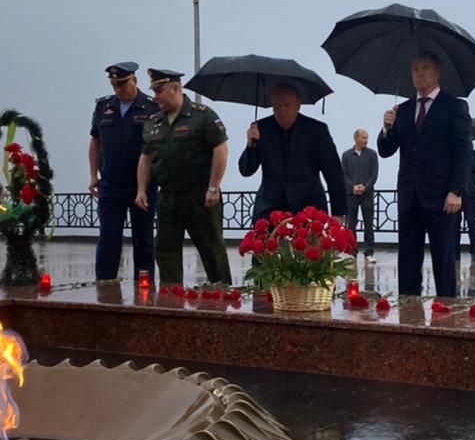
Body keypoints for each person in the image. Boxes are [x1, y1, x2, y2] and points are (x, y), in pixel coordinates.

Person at [376, 52, 472, 297]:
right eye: (415, 69)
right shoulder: (404, 109)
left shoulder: (454, 106)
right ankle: (408, 316)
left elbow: (463, 151)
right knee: (407, 261)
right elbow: (386, 150)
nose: (419, 73)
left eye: (425, 68)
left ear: (437, 73)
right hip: (410, 196)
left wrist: (456, 190)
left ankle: (446, 316)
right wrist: (386, 129)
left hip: (442, 197)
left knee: (444, 260)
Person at [136, 68, 232, 285]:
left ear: (176, 88)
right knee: (166, 251)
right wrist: (141, 189)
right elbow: (146, 157)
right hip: (169, 197)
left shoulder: (203, 115)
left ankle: (222, 295)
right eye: (154, 91)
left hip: (201, 197)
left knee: (212, 249)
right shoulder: (154, 122)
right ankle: (171, 300)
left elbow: (221, 150)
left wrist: (214, 187)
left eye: (159, 90)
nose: (155, 96)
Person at [238, 81, 347, 226]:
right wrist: (250, 145)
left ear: (298, 104)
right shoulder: (261, 129)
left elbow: (333, 172)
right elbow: (246, 170)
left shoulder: (316, 131)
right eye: (276, 106)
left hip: (308, 208)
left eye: (286, 105)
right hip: (270, 210)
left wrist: (338, 212)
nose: (282, 111)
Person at [88, 62, 159, 281]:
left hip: (143, 185)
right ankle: (105, 284)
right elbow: (95, 142)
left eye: (123, 84)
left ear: (134, 81)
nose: (119, 89)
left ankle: (144, 287)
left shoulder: (151, 107)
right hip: (110, 183)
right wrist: (93, 175)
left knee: (144, 239)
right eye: (115, 85)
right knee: (109, 238)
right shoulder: (103, 107)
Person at [342, 128, 379, 262]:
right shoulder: (346, 155)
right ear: (356, 139)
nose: (366, 140)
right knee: (351, 224)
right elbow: (343, 174)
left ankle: (369, 252)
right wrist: (353, 187)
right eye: (363, 138)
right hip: (351, 195)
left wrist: (365, 186)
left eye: (367, 137)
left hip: (367, 195)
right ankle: (352, 251)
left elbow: (374, 174)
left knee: (369, 224)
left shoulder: (372, 155)